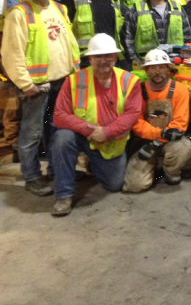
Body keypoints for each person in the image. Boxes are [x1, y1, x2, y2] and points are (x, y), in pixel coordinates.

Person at [1, 0, 80, 196]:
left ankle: (57, 171)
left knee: (57, 132)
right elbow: (11, 54)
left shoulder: (60, 9)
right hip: (37, 86)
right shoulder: (19, 14)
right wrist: (26, 84)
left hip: (61, 82)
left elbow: (70, 44)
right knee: (31, 135)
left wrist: (73, 74)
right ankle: (32, 177)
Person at [50, 33, 142, 216]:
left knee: (114, 185)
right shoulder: (74, 80)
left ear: (115, 57)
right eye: (98, 56)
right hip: (82, 136)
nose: (103, 60)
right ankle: (63, 195)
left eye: (108, 55)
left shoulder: (129, 81)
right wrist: (88, 130)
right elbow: (60, 115)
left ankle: (92, 162)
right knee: (62, 138)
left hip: (110, 142)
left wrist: (107, 132)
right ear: (90, 58)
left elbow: (132, 113)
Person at [122, 50, 191, 193]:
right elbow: (136, 122)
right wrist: (158, 135)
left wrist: (157, 141)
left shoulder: (179, 90)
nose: (157, 71)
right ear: (146, 71)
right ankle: (151, 165)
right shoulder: (138, 90)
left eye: (161, 67)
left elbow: (180, 123)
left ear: (168, 69)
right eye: (153, 68)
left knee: (183, 148)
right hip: (144, 141)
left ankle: (171, 171)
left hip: (173, 139)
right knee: (134, 186)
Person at [121, 0, 191, 63]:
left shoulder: (178, 9)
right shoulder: (136, 9)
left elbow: (188, 38)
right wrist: (135, 61)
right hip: (146, 63)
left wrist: (185, 59)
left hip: (174, 62)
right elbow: (128, 38)